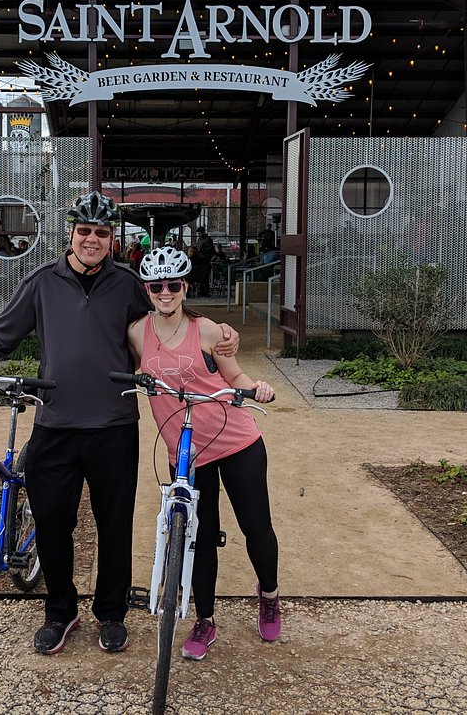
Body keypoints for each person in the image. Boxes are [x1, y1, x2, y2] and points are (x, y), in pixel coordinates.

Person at [0, 192, 240, 657]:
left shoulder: (128, 284)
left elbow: (167, 321)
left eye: (101, 233)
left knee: (114, 526)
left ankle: (110, 613)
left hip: (114, 426)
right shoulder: (42, 282)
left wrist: (217, 335)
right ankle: (61, 611)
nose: (92, 239)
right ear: (71, 233)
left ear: (111, 239)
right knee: (52, 525)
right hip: (56, 424)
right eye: (84, 231)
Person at [124, 246, 280, 661]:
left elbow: (236, 374)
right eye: (157, 286)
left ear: (184, 286)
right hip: (186, 452)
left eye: (173, 284)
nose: (165, 293)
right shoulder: (137, 333)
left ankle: (269, 593)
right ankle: (205, 620)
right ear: (147, 289)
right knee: (200, 537)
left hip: (235, 441)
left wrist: (256, 386)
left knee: (256, 525)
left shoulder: (208, 330)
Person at [194, 227, 216, 297]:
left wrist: (201, 250)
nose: (199, 234)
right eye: (198, 233)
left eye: (200, 233)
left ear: (203, 232)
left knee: (205, 278)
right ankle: (202, 292)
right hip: (201, 260)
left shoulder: (208, 240)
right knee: (201, 278)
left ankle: (205, 292)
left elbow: (210, 249)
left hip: (205, 260)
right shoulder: (200, 240)